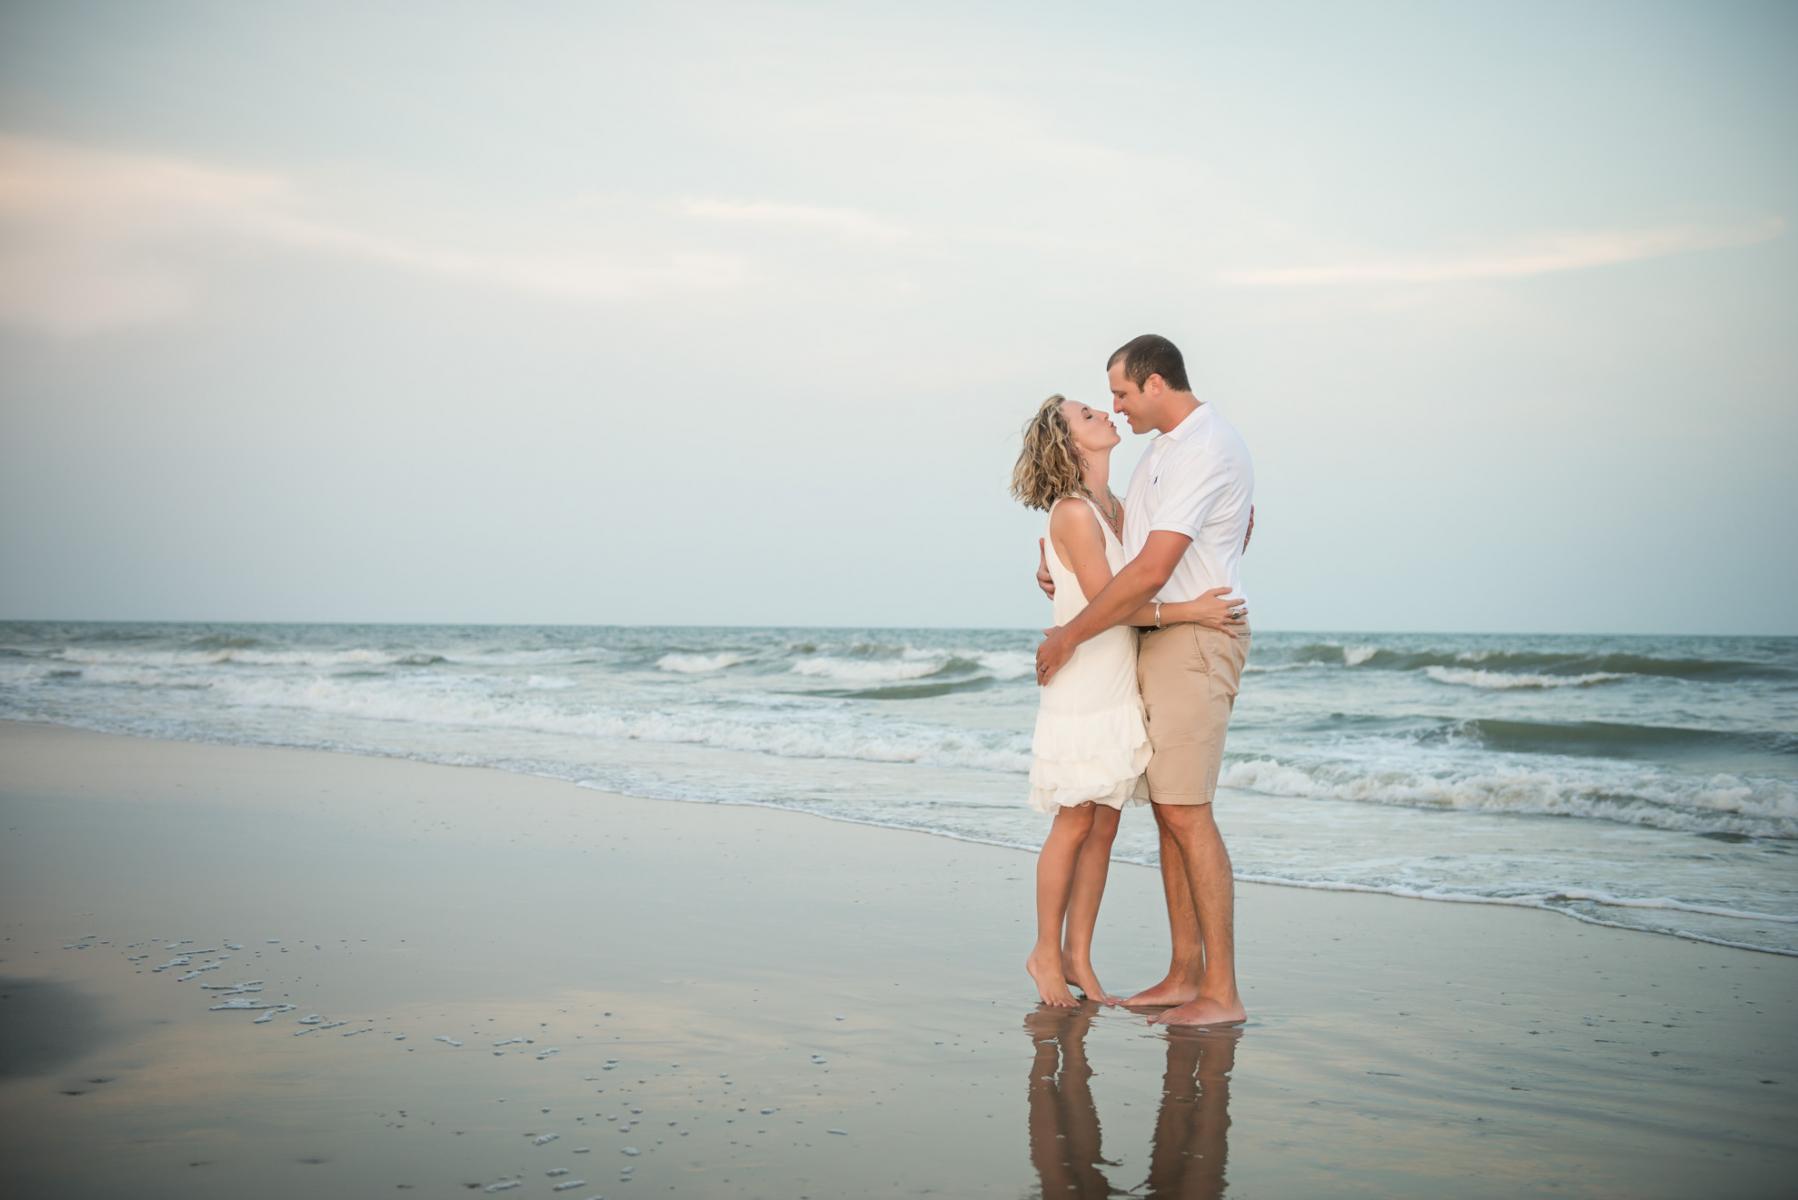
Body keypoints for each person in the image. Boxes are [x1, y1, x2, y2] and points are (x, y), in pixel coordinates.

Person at [1035, 335, 1255, 1028]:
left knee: (1182, 811)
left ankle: (1218, 990)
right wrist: (1055, 568)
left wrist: (1070, 629)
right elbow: (1120, 556)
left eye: (1122, 394)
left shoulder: (1200, 447)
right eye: (1100, 406)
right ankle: (1180, 972)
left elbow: (1151, 569)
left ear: (1155, 384)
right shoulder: (1159, 454)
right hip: (1141, 649)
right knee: (1155, 813)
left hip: (1182, 641)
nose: (1114, 407)